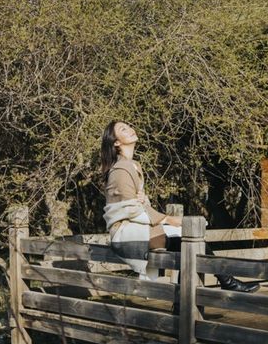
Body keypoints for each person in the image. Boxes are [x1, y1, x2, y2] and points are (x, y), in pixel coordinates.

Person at [100, 120, 259, 292]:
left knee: (188, 245)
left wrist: (145, 201)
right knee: (189, 241)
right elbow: (129, 210)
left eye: (129, 126)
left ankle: (196, 295)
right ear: (116, 142)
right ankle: (226, 283)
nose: (130, 129)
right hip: (127, 234)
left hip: (139, 228)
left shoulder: (133, 165)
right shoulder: (121, 170)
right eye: (123, 129)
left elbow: (138, 206)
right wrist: (168, 219)